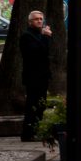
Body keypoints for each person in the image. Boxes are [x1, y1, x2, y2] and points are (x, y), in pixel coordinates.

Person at [20, 10, 52, 142]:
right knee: (32, 105)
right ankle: (28, 133)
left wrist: (46, 37)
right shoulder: (27, 36)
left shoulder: (40, 34)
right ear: (30, 22)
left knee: (41, 105)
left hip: (42, 75)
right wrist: (46, 37)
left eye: (41, 19)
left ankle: (37, 130)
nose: (39, 21)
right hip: (33, 76)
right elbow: (38, 53)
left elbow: (47, 51)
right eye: (36, 19)